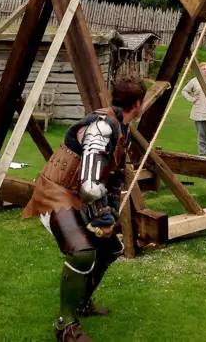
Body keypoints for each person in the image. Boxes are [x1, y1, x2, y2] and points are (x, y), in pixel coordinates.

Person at [22, 75, 147, 342]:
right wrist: (102, 216)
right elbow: (90, 186)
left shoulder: (120, 127)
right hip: (57, 194)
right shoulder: (102, 127)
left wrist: (110, 211)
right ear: (139, 103)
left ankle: (80, 302)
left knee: (110, 248)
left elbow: (111, 175)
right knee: (82, 254)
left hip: (78, 194)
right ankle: (64, 324)